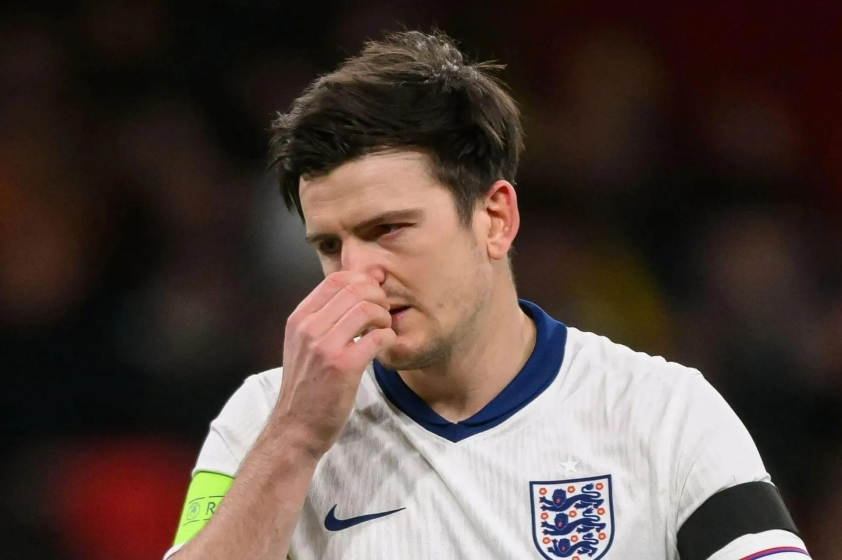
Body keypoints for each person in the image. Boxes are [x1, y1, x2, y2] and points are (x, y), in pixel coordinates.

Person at [164, 31, 810, 560]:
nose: (356, 273)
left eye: (389, 229)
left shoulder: (662, 413)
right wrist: (297, 438)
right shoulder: (266, 419)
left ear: (495, 219)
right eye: (330, 245)